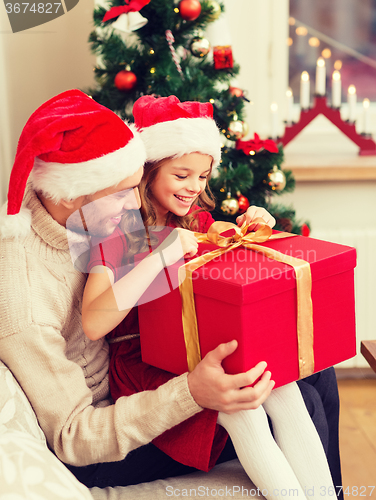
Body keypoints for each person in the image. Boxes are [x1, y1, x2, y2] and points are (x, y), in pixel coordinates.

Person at [0, 90, 342, 498]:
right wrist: (193, 392)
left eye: (134, 187)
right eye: (123, 193)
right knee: (271, 403)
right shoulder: (32, 298)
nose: (134, 204)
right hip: (103, 430)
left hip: (152, 367)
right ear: (73, 192)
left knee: (300, 377)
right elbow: (77, 430)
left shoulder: (89, 216)